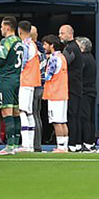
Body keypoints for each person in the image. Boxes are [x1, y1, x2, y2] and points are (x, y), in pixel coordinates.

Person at [0, 16, 24, 155]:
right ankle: (16, 143)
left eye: (2, 26)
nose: (1, 29)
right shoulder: (19, 41)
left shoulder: (6, 41)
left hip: (6, 80)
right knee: (16, 112)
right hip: (17, 79)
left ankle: (10, 146)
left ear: (7, 27)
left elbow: (0, 60)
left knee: (6, 112)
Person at [41, 34, 69, 153]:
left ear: (51, 45)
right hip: (62, 93)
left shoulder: (53, 58)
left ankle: (60, 147)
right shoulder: (62, 57)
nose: (44, 46)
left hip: (54, 93)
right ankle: (64, 145)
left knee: (56, 122)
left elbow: (48, 76)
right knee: (62, 121)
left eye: (45, 44)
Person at [59, 24, 84, 152]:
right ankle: (77, 143)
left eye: (62, 33)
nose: (60, 36)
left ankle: (72, 144)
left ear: (70, 34)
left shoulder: (70, 48)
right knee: (76, 116)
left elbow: (62, 63)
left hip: (72, 87)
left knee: (72, 115)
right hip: (77, 86)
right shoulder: (74, 47)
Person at [17, 21, 39, 153]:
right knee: (29, 112)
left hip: (25, 81)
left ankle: (26, 144)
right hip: (32, 81)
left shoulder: (25, 45)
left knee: (23, 111)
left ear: (19, 31)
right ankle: (29, 144)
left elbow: (22, 64)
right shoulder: (33, 45)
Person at [77, 37, 96, 152]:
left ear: (83, 47)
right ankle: (90, 142)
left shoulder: (83, 59)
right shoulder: (91, 57)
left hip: (85, 91)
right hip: (91, 91)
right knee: (89, 118)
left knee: (84, 118)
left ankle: (87, 143)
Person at [30, 25, 46, 152]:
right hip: (41, 85)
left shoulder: (33, 50)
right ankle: (36, 143)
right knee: (37, 115)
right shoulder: (43, 50)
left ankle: (34, 145)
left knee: (32, 115)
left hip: (34, 85)